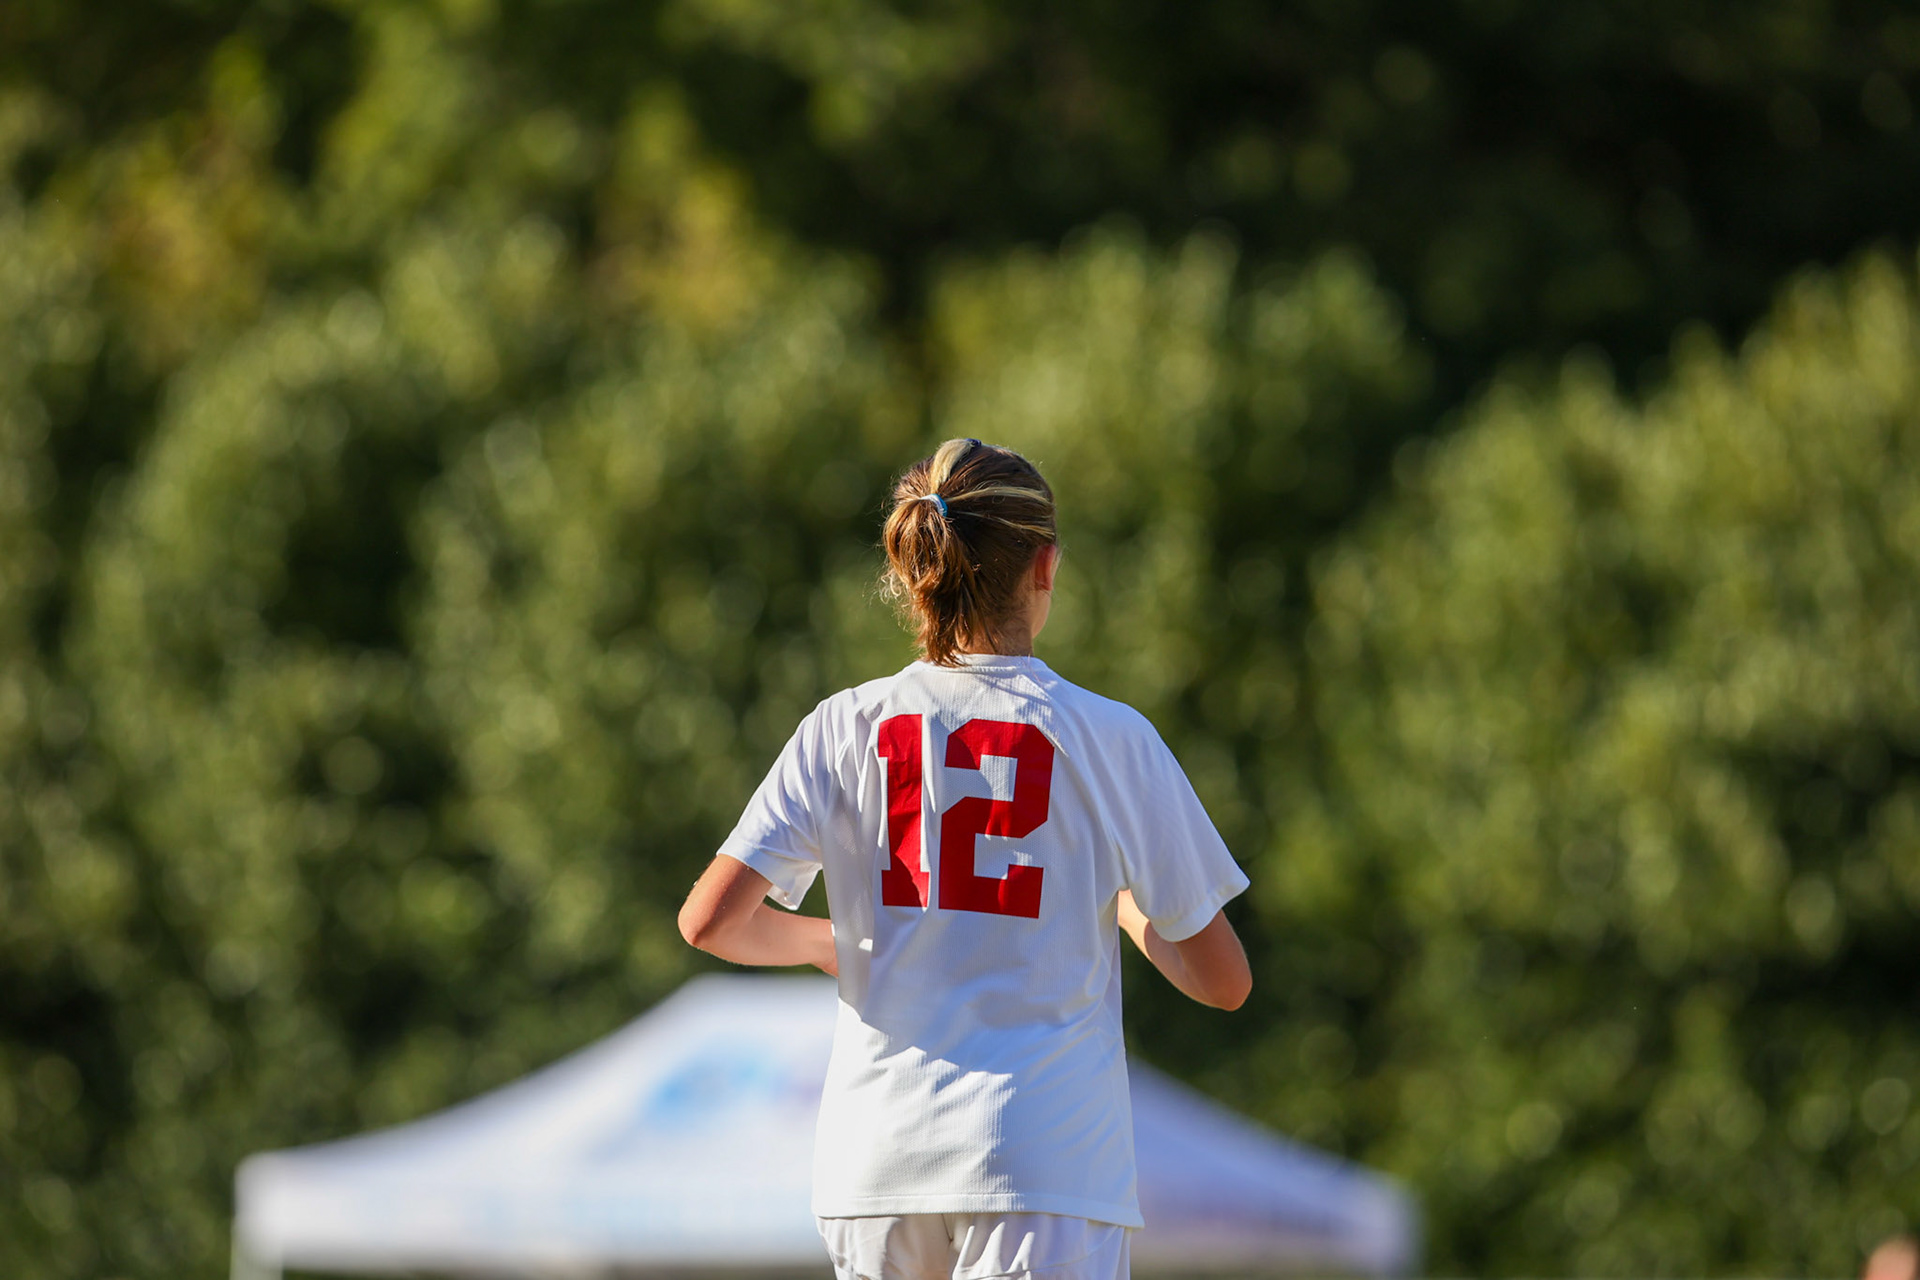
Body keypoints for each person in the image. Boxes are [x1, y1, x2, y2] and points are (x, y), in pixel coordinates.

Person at [678, 438, 1253, 1280]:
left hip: (875, 1166)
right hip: (1043, 1165)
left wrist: (821, 943)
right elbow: (1223, 980)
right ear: (1045, 566)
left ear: (915, 569)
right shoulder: (1112, 736)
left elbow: (710, 921)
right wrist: (1128, 906)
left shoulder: (843, 725)